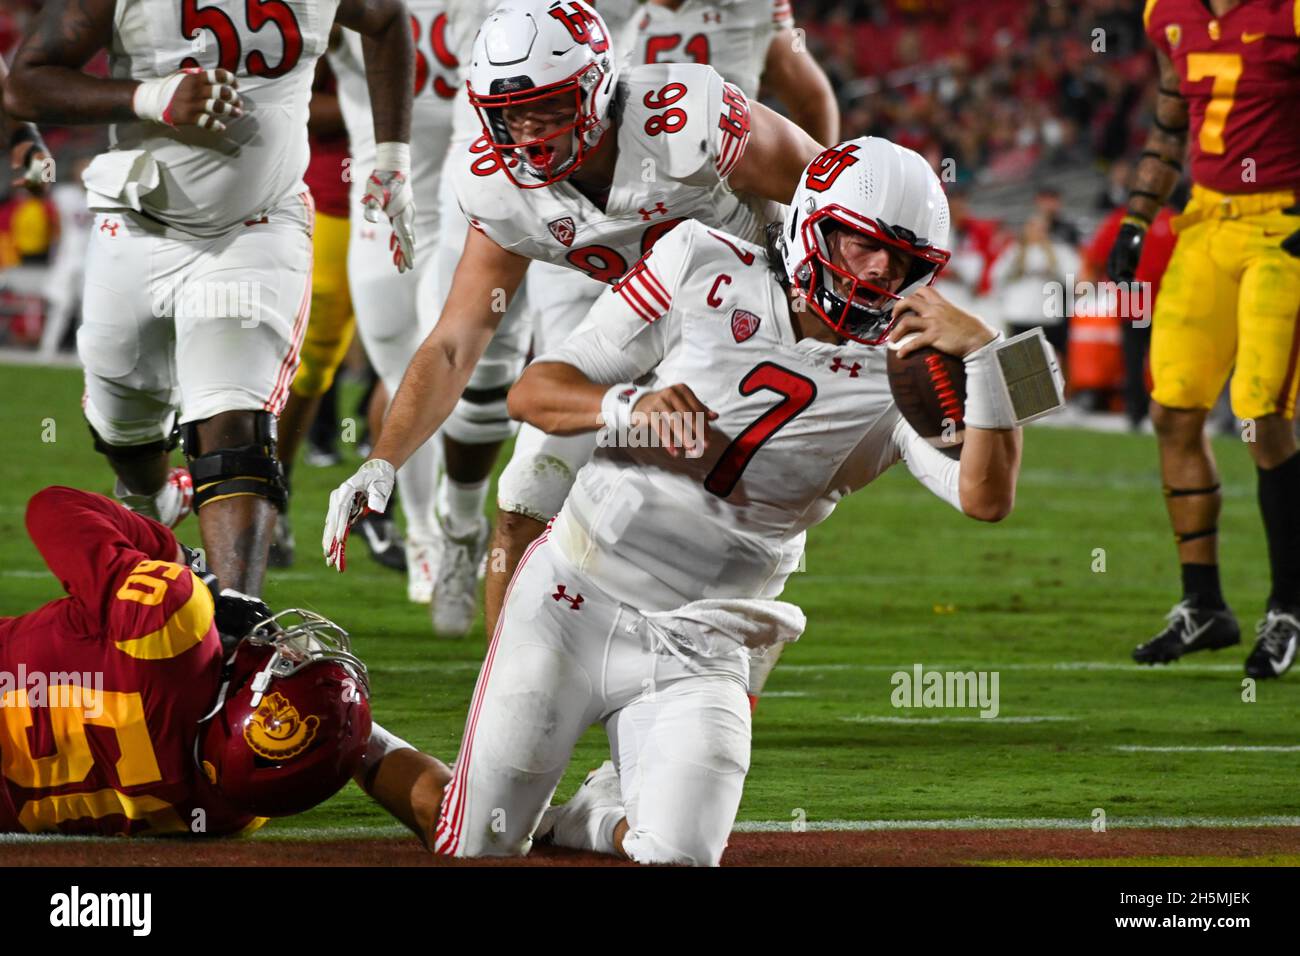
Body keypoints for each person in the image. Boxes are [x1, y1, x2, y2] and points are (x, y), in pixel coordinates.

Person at [351, 138, 1061, 865]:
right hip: (575, 596)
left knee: (682, 857)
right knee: (476, 843)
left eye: (903, 261)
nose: (882, 270)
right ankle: (354, 734)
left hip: (707, 636)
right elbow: (533, 392)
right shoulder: (701, 259)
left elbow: (986, 499)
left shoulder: (904, 369)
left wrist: (992, 353)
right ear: (814, 223)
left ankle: (598, 816)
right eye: (863, 244)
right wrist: (630, 406)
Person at [323, 0, 824, 644]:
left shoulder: (686, 118)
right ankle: (508, 704)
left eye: (552, 108)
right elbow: (455, 342)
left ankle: (696, 688)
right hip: (635, 311)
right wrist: (383, 461)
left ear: (599, 90)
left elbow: (828, 190)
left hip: (747, 319)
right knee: (524, 498)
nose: (531, 133)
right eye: (510, 115)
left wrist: (831, 312)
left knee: (715, 533)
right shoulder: (499, 184)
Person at [2, 0, 416, 598]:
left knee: (233, 428)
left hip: (257, 223)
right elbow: (27, 84)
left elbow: (384, 19)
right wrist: (153, 97)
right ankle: (152, 499)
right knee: (126, 430)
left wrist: (392, 159)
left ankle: (236, 626)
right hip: (136, 219)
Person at [0, 486, 376, 836]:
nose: (286, 651)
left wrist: (197, 577)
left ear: (245, 698)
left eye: (286, 667)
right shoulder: (229, 814)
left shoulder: (172, 623)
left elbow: (52, 507)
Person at [1110, 0, 1300, 677]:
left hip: (1282, 226)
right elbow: (1169, 120)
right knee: (1173, 411)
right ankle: (1205, 606)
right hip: (1206, 224)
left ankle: (1289, 607)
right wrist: (1138, 216)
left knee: (1261, 416)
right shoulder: (1168, 11)